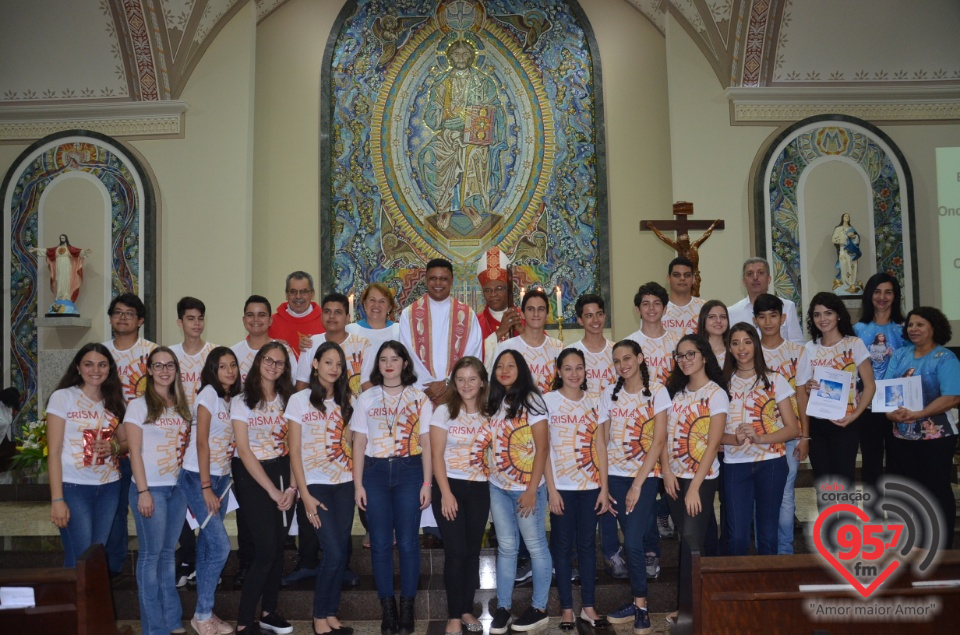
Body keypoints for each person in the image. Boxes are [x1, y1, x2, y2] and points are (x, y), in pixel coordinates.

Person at [352, 341, 433, 635]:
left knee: (410, 542)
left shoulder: (419, 398)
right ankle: (388, 608)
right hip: (374, 473)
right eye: (383, 359)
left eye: (395, 359)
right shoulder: (366, 398)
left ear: (405, 364)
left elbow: (426, 443)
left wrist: (427, 483)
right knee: (381, 545)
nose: (389, 364)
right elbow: (359, 443)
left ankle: (408, 606)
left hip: (409, 470)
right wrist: (358, 483)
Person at [286, 342, 356, 635]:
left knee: (338, 551)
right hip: (316, 486)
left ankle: (330, 612)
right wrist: (304, 494)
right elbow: (294, 450)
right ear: (314, 364)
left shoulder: (346, 400)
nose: (334, 369)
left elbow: (351, 442)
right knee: (334, 551)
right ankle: (318, 616)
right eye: (328, 362)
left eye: (338, 364)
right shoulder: (299, 400)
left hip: (345, 483)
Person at [601, 340, 669, 634]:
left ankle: (641, 608)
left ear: (640, 358)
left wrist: (638, 485)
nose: (622, 365)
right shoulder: (608, 394)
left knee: (631, 543)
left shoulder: (658, 392)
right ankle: (637, 602)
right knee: (633, 542)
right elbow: (601, 444)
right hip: (614, 477)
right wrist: (603, 486)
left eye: (627, 358)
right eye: (617, 361)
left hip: (645, 477)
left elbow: (658, 441)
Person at [124, 347, 192, 635]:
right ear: (149, 370)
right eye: (158, 365)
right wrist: (143, 491)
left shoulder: (181, 405)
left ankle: (172, 619)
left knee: (167, 554)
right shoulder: (138, 406)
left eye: (170, 365)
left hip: (176, 488)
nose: (164, 370)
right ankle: (154, 627)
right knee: (151, 556)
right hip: (149, 487)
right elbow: (134, 452)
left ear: (176, 370)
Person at [231, 343, 297, 634]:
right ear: (258, 362)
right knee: (266, 549)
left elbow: (296, 447)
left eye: (279, 363)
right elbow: (243, 451)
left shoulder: (289, 399)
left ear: (285, 368)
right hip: (253, 475)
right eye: (268, 360)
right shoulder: (242, 400)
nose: (273, 366)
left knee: (278, 547)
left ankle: (269, 612)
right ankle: (245, 621)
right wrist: (273, 491)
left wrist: (293, 487)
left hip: (284, 470)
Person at [662, 335, 728, 629]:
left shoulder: (716, 394)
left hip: (701, 480)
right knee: (700, 538)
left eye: (691, 354)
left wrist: (696, 489)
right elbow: (661, 435)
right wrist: (666, 471)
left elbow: (713, 444)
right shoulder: (674, 392)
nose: (686, 360)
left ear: (704, 356)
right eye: (680, 356)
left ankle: (685, 609)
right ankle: (710, 598)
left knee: (690, 543)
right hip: (674, 477)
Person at [544, 348, 611, 631]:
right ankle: (567, 609)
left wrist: (604, 488)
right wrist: (552, 489)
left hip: (590, 485)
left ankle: (588, 606)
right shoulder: (547, 401)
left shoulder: (596, 401)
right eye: (568, 368)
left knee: (586, 545)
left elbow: (601, 447)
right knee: (561, 545)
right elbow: (543, 449)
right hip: (562, 486)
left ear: (586, 371)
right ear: (558, 371)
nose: (574, 374)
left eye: (579, 368)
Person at [883, 307, 960, 548]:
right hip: (901, 437)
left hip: (935, 438)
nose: (913, 329)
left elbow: (952, 397)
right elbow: (886, 389)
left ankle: (941, 547)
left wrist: (919, 414)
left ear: (934, 328)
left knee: (936, 491)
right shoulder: (900, 355)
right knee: (906, 494)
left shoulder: (945, 358)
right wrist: (890, 413)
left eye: (920, 325)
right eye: (911, 325)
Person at [486, 349, 551, 634]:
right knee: (507, 548)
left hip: (527, 488)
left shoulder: (532, 400)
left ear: (521, 369)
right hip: (498, 487)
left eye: (510, 365)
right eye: (499, 366)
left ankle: (539, 608)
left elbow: (543, 447)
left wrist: (531, 489)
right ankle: (503, 607)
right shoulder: (494, 401)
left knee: (535, 547)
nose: (504, 370)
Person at [46, 343, 127, 567]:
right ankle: (74, 602)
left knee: (96, 556)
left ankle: (91, 602)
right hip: (73, 486)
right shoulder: (63, 398)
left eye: (102, 365)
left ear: (109, 369)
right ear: (78, 368)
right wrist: (57, 499)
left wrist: (115, 449)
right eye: (88, 364)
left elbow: (126, 442)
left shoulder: (114, 400)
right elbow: (52, 453)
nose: (95, 370)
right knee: (79, 557)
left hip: (109, 487)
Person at [721, 323, 798, 556]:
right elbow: (712, 435)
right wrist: (734, 439)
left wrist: (761, 437)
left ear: (755, 344)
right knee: (737, 536)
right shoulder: (720, 384)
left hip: (771, 462)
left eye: (747, 341)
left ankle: (768, 586)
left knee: (768, 533)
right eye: (735, 343)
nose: (741, 348)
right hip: (735, 466)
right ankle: (739, 588)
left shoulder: (776, 380)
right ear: (729, 348)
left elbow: (793, 429)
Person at [179, 347, 241, 635]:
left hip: (221, 479)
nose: (229, 371)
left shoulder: (232, 400)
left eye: (233, 366)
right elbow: (201, 442)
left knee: (206, 546)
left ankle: (204, 613)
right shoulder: (207, 395)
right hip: (197, 478)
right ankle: (202, 613)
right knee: (220, 546)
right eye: (222, 366)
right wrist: (205, 486)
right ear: (212, 370)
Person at [429, 357, 492, 635]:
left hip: (480, 488)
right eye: (461, 379)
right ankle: (454, 614)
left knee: (472, 552)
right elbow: (436, 456)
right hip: (449, 486)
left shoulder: (491, 412)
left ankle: (467, 608)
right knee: (455, 553)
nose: (466, 385)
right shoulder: (443, 411)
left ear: (482, 382)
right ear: (454, 383)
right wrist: (445, 493)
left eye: (472, 379)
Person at [418, 39, 506, 231]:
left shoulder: (484, 82)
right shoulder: (442, 83)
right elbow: (431, 116)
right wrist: (450, 113)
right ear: (449, 58)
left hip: (475, 134)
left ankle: (468, 206)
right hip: (448, 134)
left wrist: (477, 113)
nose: (461, 58)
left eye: (465, 54)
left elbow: (496, 109)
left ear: (472, 57)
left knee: (472, 154)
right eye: (456, 54)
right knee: (427, 156)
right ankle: (446, 207)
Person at [797, 292, 875, 492]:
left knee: (844, 480)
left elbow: (870, 385)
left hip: (845, 423)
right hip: (817, 424)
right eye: (817, 315)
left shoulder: (854, 344)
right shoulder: (809, 348)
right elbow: (803, 390)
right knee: (823, 482)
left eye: (828, 313)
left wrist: (854, 416)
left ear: (839, 315)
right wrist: (808, 387)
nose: (822, 319)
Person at [570, 294, 625, 577]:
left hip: (612, 430)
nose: (595, 320)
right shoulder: (572, 351)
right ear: (579, 319)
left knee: (608, 492)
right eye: (588, 315)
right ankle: (577, 557)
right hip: (579, 433)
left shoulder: (617, 350)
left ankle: (612, 552)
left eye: (599, 314)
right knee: (580, 496)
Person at [103, 292, 157, 576]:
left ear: (140, 320)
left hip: (143, 446)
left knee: (147, 507)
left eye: (129, 313)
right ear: (111, 317)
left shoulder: (152, 353)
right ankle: (112, 570)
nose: (123, 317)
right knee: (112, 513)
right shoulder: (98, 353)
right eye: (118, 312)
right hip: (105, 445)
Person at [753, 293, 810, 555]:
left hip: (789, 435)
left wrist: (804, 436)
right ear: (755, 320)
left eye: (773, 316)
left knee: (786, 494)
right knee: (758, 495)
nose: (768, 322)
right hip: (757, 437)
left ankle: (785, 550)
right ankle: (762, 549)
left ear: (783, 318)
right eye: (762, 316)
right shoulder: (750, 351)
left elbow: (802, 395)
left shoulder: (798, 352)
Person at [169, 296, 216, 588]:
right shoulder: (170, 355)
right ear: (180, 322)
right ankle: (187, 555)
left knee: (206, 497)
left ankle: (205, 558)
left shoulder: (213, 353)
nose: (196, 323)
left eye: (200, 318)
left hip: (207, 436)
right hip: (174, 436)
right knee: (179, 498)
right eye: (190, 318)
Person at [398, 258, 482, 407]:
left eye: (443, 279)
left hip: (457, 392)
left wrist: (449, 383)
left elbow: (472, 355)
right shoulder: (409, 314)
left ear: (451, 281)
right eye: (433, 278)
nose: (438, 283)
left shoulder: (467, 315)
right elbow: (407, 354)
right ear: (425, 280)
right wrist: (427, 386)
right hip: (421, 393)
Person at [853, 272, 906, 494]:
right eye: (877, 291)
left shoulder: (905, 329)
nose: (882, 297)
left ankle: (899, 514)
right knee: (872, 461)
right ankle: (873, 516)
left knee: (899, 460)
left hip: (898, 402)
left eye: (888, 292)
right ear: (869, 295)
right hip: (868, 404)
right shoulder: (857, 330)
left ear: (895, 296)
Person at [296, 292, 373, 396]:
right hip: (317, 407)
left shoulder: (362, 345)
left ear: (347, 318)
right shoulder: (310, 343)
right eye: (327, 312)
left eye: (338, 312)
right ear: (321, 315)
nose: (332, 316)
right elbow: (302, 384)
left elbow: (367, 384)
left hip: (353, 408)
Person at [488, 288, 562, 394]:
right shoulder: (506, 348)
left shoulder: (558, 348)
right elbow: (495, 384)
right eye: (530, 309)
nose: (536, 314)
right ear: (522, 314)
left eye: (541, 309)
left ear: (547, 315)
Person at [727, 258, 804, 344]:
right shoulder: (731, 312)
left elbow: (797, 344)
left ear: (769, 279)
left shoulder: (787, 306)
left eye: (760, 273)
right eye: (750, 274)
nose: (755, 277)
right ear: (744, 281)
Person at [626, 282, 682, 385]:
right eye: (646, 304)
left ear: (664, 309)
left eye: (657, 303)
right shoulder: (628, 344)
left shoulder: (678, 342)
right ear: (638, 310)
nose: (651, 308)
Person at [646, 220, 720, 297]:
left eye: (685, 243)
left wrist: (713, 225)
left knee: (696, 295)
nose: (684, 245)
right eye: (682, 244)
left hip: (695, 274)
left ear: (688, 242)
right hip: (686, 275)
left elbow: (705, 235)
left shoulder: (694, 246)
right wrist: (653, 227)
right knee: (685, 294)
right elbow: (663, 238)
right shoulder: (679, 248)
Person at [475, 248, 523, 362]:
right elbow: (471, 355)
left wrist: (523, 331)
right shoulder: (475, 323)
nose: (493, 294)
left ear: (509, 289)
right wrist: (501, 331)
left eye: (499, 288)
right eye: (487, 290)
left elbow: (541, 349)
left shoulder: (523, 317)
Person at [269, 271, 325, 359]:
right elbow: (254, 345)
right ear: (286, 294)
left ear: (312, 294)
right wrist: (270, 345)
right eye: (293, 291)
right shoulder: (270, 322)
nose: (298, 296)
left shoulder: (326, 321)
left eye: (304, 291)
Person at [346, 282, 401, 369]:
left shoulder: (399, 330)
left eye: (382, 301)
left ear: (389, 307)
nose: (376, 305)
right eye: (372, 300)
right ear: (364, 304)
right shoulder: (350, 330)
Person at [37, 233, 90, 315]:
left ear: (66, 239)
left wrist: (85, 251)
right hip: (58, 266)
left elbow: (78, 252)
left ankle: (66, 295)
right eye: (61, 238)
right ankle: (59, 295)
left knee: (66, 280)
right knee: (58, 280)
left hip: (66, 266)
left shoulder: (69, 249)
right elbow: (47, 251)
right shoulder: (57, 249)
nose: (62, 239)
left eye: (63, 238)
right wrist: (37, 250)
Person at [661, 257, 705, 335]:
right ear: (668, 278)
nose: (682, 278)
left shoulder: (704, 308)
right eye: (676, 275)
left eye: (687, 275)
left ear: (693, 279)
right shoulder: (657, 308)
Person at [831, 214, 862, 294]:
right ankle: (845, 284)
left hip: (852, 252)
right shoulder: (838, 229)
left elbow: (857, 240)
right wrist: (845, 238)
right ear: (842, 218)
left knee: (853, 266)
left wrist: (854, 236)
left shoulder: (852, 229)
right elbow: (834, 239)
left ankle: (852, 284)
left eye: (848, 216)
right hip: (843, 250)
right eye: (845, 216)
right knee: (844, 266)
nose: (847, 217)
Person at [697, 300, 730, 367]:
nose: (718, 321)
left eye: (723, 317)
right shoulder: (695, 352)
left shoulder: (734, 352)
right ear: (703, 320)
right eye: (712, 317)